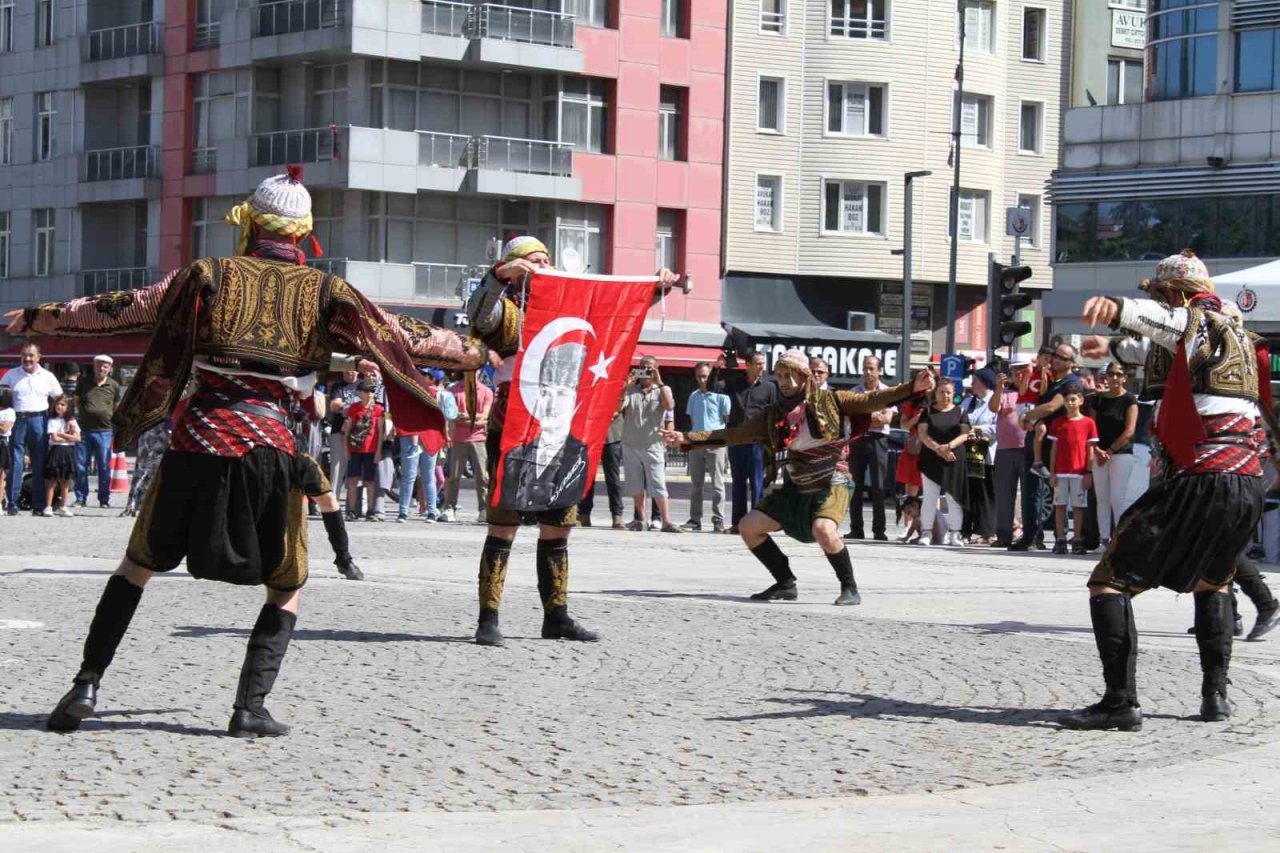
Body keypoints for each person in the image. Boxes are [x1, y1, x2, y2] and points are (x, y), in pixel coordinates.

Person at [11, 167, 489, 738]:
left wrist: (41, 317)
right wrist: (473, 348)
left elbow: (124, 308)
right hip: (272, 447)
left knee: (137, 565)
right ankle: (249, 708)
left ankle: (86, 683)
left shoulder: (207, 274)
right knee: (287, 583)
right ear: (302, 232)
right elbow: (403, 334)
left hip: (198, 440)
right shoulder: (328, 293)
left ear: (250, 223)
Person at [1060, 250, 1268, 731]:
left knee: (1109, 581)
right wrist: (1108, 349)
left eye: (1160, 293)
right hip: (1244, 480)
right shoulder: (1235, 334)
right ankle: (1215, 698)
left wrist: (1120, 308)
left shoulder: (1201, 322)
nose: (1157, 300)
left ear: (1175, 294)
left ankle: (1119, 702)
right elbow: (1148, 348)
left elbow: (1169, 323)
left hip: (1200, 477)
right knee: (1211, 581)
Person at [464, 235, 679, 646]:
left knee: (558, 525)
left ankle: (556, 616)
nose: (543, 264)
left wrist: (655, 288)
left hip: (564, 424)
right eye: (533, 260)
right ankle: (488, 618)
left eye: (547, 259)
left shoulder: (572, 307)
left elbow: (617, 311)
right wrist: (499, 275)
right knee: (504, 524)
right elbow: (479, 314)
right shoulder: (508, 312)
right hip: (514, 425)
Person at [662, 349, 935, 605]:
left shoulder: (834, 400)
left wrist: (913, 387)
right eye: (780, 375)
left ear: (804, 376)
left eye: (790, 374)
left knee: (824, 530)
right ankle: (785, 583)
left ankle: (850, 587)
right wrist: (686, 437)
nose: (785, 381)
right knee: (749, 527)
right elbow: (734, 435)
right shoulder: (772, 415)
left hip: (832, 480)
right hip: (795, 486)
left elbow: (873, 400)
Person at [1010, 344, 1083, 551]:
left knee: (1060, 493)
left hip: (1057, 443)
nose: (1056, 359)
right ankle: (1030, 536)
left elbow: (1052, 406)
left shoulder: (1071, 383)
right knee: (1030, 490)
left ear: (1072, 363)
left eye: (1062, 357)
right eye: (1055, 355)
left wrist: (1028, 416)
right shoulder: (1049, 378)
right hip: (1036, 439)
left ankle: (1066, 538)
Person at [0, 342, 64, 516]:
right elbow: (2, 397)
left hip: (39, 420)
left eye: (31, 355)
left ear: (38, 357)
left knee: (39, 462)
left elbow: (59, 398)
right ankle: (13, 503)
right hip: (18, 420)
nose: (27, 359)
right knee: (15, 462)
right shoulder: (11, 375)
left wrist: (61, 420)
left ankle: (38, 505)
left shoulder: (48, 376)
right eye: (24, 355)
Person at [619, 355, 680, 532]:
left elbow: (669, 406)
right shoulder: (631, 390)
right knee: (635, 483)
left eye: (650, 368)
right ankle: (641, 519)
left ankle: (666, 521)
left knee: (658, 483)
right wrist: (627, 386)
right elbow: (618, 408)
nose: (646, 371)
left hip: (653, 444)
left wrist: (659, 382)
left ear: (656, 369)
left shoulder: (662, 389)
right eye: (643, 367)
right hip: (631, 443)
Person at [724, 350, 778, 533]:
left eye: (763, 364)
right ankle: (738, 523)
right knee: (738, 482)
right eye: (758, 364)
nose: (762, 368)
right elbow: (714, 386)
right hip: (737, 440)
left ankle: (757, 523)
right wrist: (720, 367)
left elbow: (774, 413)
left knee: (757, 483)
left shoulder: (769, 387)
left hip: (758, 442)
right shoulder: (735, 384)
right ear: (747, 365)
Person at [396, 368, 456, 523]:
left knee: (413, 476)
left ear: (431, 378)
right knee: (426, 476)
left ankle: (408, 511)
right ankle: (425, 511)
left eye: (424, 375)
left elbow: (448, 416)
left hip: (419, 437)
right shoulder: (439, 394)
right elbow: (451, 416)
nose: (420, 377)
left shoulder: (431, 393)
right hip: (424, 437)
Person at [846, 356, 896, 542]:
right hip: (858, 440)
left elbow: (887, 419)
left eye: (871, 368)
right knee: (855, 487)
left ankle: (879, 531)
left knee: (878, 487)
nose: (867, 372)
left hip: (878, 440)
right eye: (865, 368)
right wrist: (873, 418)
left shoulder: (887, 392)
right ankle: (856, 529)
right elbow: (852, 418)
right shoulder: (854, 393)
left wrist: (865, 418)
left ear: (879, 370)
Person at [916, 378, 970, 547]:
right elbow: (923, 434)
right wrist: (938, 449)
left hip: (954, 457)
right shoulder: (928, 412)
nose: (945, 395)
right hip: (931, 458)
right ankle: (926, 532)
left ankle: (955, 533)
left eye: (948, 392)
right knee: (929, 497)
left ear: (954, 394)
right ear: (936, 393)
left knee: (954, 497)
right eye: (941, 392)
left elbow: (965, 434)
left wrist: (949, 447)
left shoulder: (961, 411)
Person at [1091, 364, 1139, 546]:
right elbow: (1092, 428)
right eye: (1111, 374)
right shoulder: (1099, 399)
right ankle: (1104, 539)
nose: (1114, 378)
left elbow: (1129, 431)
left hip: (1120, 454)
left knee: (1117, 498)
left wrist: (1109, 451)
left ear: (1125, 377)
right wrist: (1097, 450)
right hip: (1099, 453)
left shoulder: (1129, 400)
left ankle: (1119, 539)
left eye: (1118, 374)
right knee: (1101, 497)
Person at [1047, 389, 1098, 554]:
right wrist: (1052, 472)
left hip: (1079, 472)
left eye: (1073, 399)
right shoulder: (1058, 422)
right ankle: (1060, 538)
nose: (1070, 403)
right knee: (1060, 505)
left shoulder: (1088, 423)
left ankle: (1077, 539)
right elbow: (1054, 449)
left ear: (1081, 401)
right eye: (1068, 400)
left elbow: (1090, 449)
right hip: (1061, 472)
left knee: (1078, 507)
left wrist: (1088, 472)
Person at [682, 360, 731, 532]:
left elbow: (727, 420)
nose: (703, 380)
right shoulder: (693, 396)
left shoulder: (722, 397)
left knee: (718, 484)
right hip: (697, 445)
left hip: (716, 444)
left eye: (705, 376)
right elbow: (693, 420)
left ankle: (718, 520)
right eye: (699, 376)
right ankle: (695, 519)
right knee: (696, 485)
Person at [443, 372, 493, 524]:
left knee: (483, 477)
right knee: (454, 476)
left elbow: (485, 416)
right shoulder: (453, 391)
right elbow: (452, 415)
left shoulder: (486, 391)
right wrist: (475, 418)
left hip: (479, 439)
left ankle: (484, 509)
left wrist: (464, 417)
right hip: (458, 438)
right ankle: (449, 508)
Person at [73, 355, 121, 509]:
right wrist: (85, 413)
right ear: (94, 366)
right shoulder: (84, 382)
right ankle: (80, 498)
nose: (102, 368)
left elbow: (116, 405)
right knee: (81, 466)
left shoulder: (114, 385)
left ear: (110, 368)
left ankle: (104, 499)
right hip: (84, 430)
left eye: (105, 366)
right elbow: (76, 400)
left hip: (105, 431)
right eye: (99, 365)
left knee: (104, 467)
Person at [961, 368, 998, 544]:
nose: (972, 384)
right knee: (969, 492)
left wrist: (979, 430)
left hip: (988, 453)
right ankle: (966, 530)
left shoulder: (995, 401)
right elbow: (960, 421)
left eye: (975, 381)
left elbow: (998, 427)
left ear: (984, 383)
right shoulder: (968, 402)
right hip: (969, 453)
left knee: (986, 493)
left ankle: (987, 531)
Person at [342, 380, 385, 521]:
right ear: (360, 393)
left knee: (370, 481)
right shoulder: (354, 408)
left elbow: (380, 432)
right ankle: (352, 510)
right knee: (353, 479)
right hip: (354, 448)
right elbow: (347, 430)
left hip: (371, 449)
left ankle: (371, 510)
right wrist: (346, 450)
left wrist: (378, 451)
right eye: (367, 391)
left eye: (372, 391)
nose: (370, 394)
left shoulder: (379, 410)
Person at [578, 411, 625, 528]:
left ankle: (617, 515)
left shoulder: (616, 391)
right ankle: (584, 514)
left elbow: (622, 400)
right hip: (590, 432)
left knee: (613, 478)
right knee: (587, 476)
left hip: (611, 434)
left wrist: (613, 411)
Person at [323, 369, 360, 497]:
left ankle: (357, 506)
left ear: (357, 371)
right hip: (339, 430)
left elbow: (370, 405)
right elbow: (334, 405)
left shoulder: (363, 384)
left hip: (360, 432)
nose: (349, 372)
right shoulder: (337, 386)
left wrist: (344, 407)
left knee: (359, 470)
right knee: (337, 467)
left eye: (352, 370)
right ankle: (334, 501)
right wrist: (356, 407)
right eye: (346, 370)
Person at [42, 395, 80, 517]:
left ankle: (63, 506)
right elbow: (54, 438)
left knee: (65, 482)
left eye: (63, 404)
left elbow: (77, 438)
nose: (59, 406)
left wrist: (61, 434)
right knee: (51, 481)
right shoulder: (52, 420)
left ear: (68, 407)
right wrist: (66, 436)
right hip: (55, 451)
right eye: (57, 404)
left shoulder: (72, 421)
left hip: (68, 452)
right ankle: (48, 507)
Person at [0, 390, 12, 511]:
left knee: (1, 476)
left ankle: (1, 501)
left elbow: (4, 429)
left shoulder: (9, 412)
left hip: (2, 442)